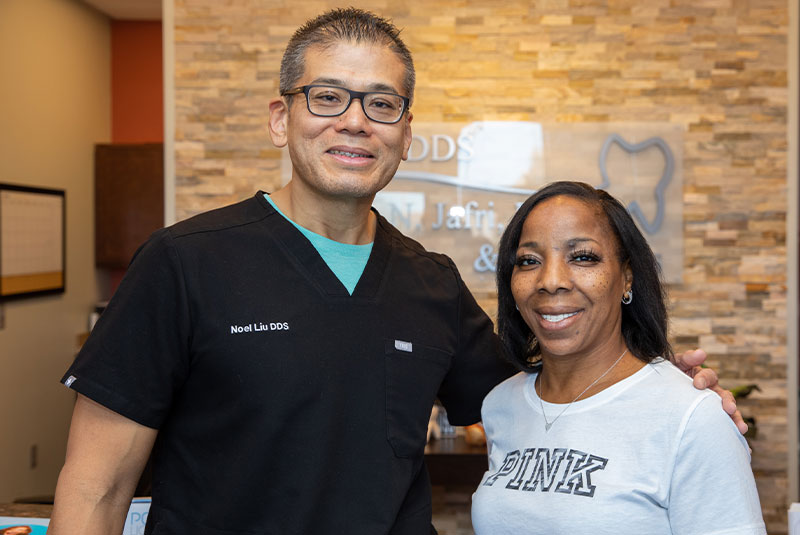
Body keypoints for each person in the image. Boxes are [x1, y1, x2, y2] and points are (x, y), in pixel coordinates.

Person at [49, 9, 741, 535]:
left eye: (381, 104)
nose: (355, 122)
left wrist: (671, 400)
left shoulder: (430, 283)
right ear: (279, 118)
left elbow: (543, 395)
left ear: (405, 135)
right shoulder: (184, 263)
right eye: (327, 97)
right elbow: (96, 489)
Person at [471, 182, 765, 534]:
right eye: (529, 261)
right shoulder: (500, 405)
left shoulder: (692, 417)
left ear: (627, 277)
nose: (550, 281)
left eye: (582, 257)